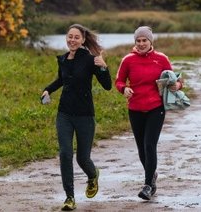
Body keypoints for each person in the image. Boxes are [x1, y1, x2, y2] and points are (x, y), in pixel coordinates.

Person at [41, 24, 112, 211]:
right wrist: (48, 89)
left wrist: (104, 68)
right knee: (65, 154)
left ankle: (92, 175)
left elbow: (107, 86)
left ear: (82, 40)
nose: (72, 40)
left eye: (76, 37)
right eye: (69, 36)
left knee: (82, 158)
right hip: (64, 114)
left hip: (85, 115)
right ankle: (69, 197)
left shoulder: (90, 60)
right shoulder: (63, 59)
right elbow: (61, 80)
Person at [114, 26, 182, 200]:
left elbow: (176, 80)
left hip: (155, 108)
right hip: (135, 108)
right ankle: (152, 175)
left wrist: (177, 86)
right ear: (135, 42)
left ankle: (148, 185)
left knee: (149, 145)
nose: (141, 43)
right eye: (138, 41)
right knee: (141, 149)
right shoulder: (128, 60)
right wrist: (124, 89)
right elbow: (119, 81)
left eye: (145, 40)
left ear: (151, 41)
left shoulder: (161, 59)